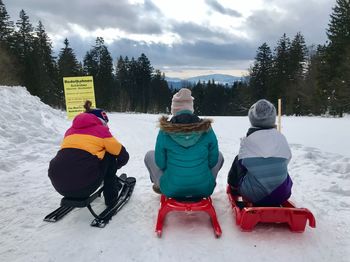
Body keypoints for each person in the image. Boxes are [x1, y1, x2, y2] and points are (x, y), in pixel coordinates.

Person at [144, 88, 224, 199]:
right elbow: (213, 161)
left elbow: (161, 163)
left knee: (149, 155)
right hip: (204, 189)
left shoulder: (165, 131)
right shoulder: (206, 129)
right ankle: (202, 183)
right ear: (191, 108)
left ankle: (160, 185)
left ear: (174, 109)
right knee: (219, 155)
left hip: (172, 188)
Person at [48, 101, 129, 206]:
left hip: (59, 186)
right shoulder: (101, 131)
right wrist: (115, 167)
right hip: (85, 186)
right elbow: (123, 155)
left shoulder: (69, 131)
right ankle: (111, 198)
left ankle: (84, 181)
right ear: (101, 121)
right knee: (110, 155)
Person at [227, 99, 293, 206]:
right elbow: (287, 159)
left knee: (239, 160)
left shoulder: (248, 142)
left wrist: (233, 182)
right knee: (279, 166)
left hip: (255, 195)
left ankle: (234, 187)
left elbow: (242, 165)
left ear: (252, 120)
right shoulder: (281, 138)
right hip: (282, 192)